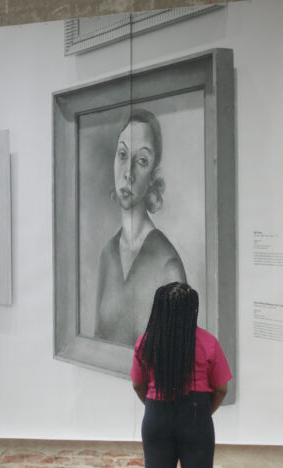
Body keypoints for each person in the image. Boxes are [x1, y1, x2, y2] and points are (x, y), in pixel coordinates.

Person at [95, 109, 187, 345]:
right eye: (122, 155)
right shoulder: (107, 254)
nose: (128, 173)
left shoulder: (168, 264)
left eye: (142, 161)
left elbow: (179, 357)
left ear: (153, 176)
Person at [130, 283, 231, 468]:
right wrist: (203, 413)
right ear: (192, 309)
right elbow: (221, 389)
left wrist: (155, 407)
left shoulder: (145, 342)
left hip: (156, 415)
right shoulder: (209, 343)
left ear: (158, 309)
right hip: (196, 416)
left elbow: (138, 385)